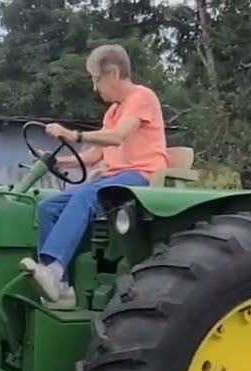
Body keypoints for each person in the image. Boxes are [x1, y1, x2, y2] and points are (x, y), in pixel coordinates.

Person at [20, 44, 169, 309]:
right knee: (48, 208)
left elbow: (118, 137)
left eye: (96, 79)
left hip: (141, 176)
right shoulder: (113, 111)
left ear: (113, 73)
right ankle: (62, 288)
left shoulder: (142, 97)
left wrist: (74, 134)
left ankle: (52, 269)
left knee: (86, 196)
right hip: (113, 178)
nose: (94, 87)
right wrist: (56, 159)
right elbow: (92, 156)